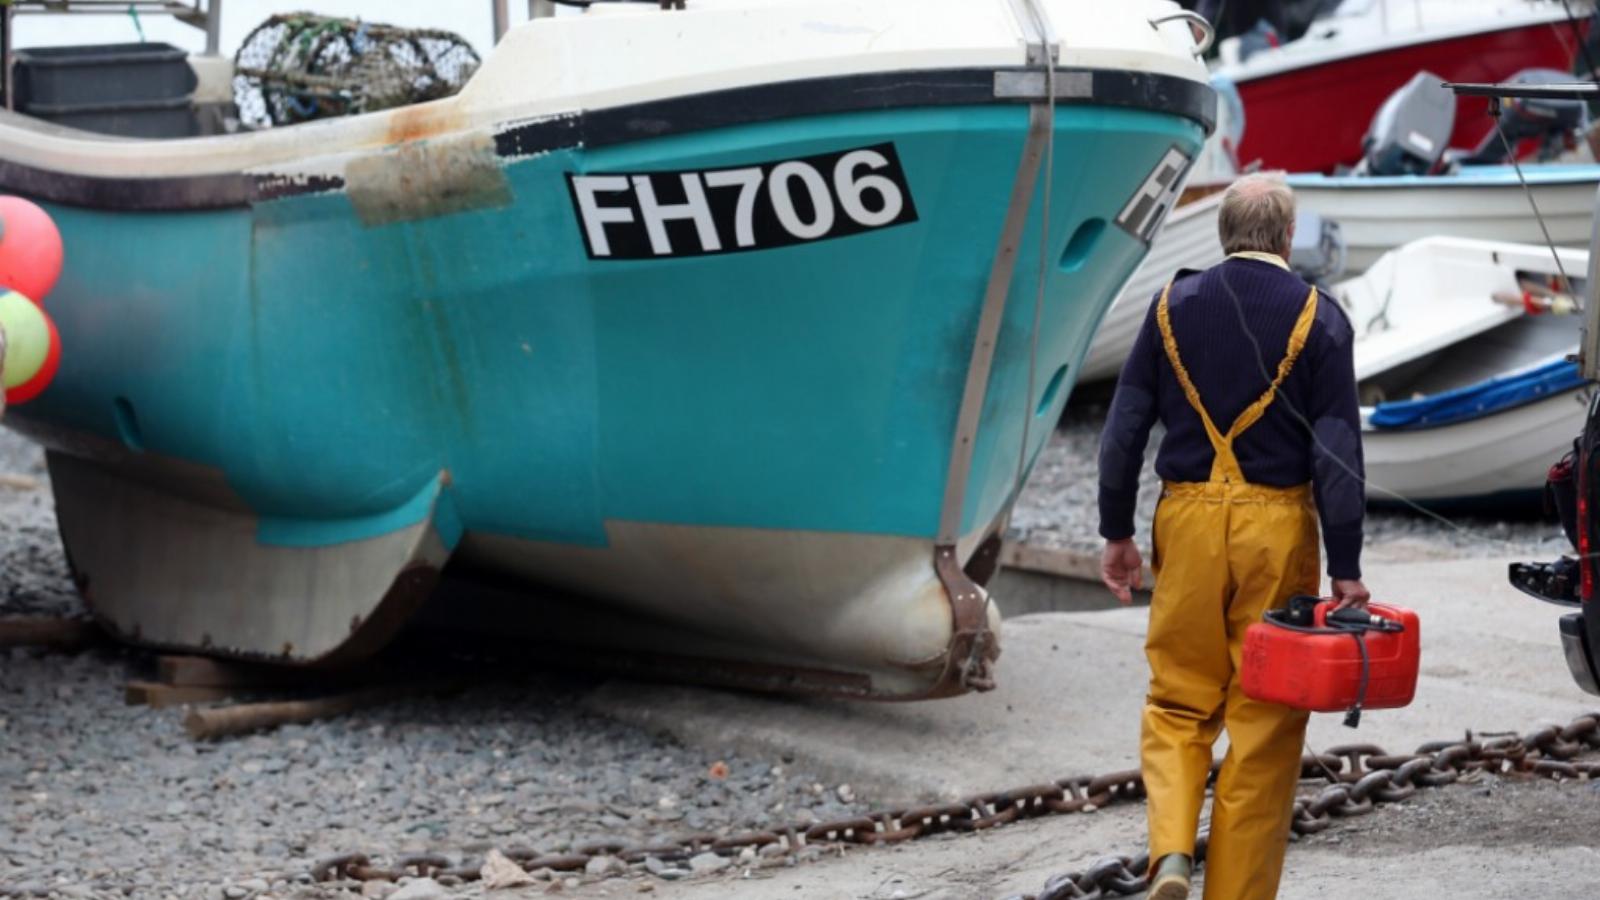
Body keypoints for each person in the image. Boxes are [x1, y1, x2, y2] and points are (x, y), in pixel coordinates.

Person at [1096, 173, 1369, 900]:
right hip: (1276, 529)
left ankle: (1171, 858)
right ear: (1286, 237)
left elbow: (1122, 433)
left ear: (1223, 235)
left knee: (1179, 702)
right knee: (1265, 718)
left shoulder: (1168, 308)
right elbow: (1336, 453)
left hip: (1184, 520)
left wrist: (1116, 530)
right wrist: (1345, 567)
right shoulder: (1320, 318)